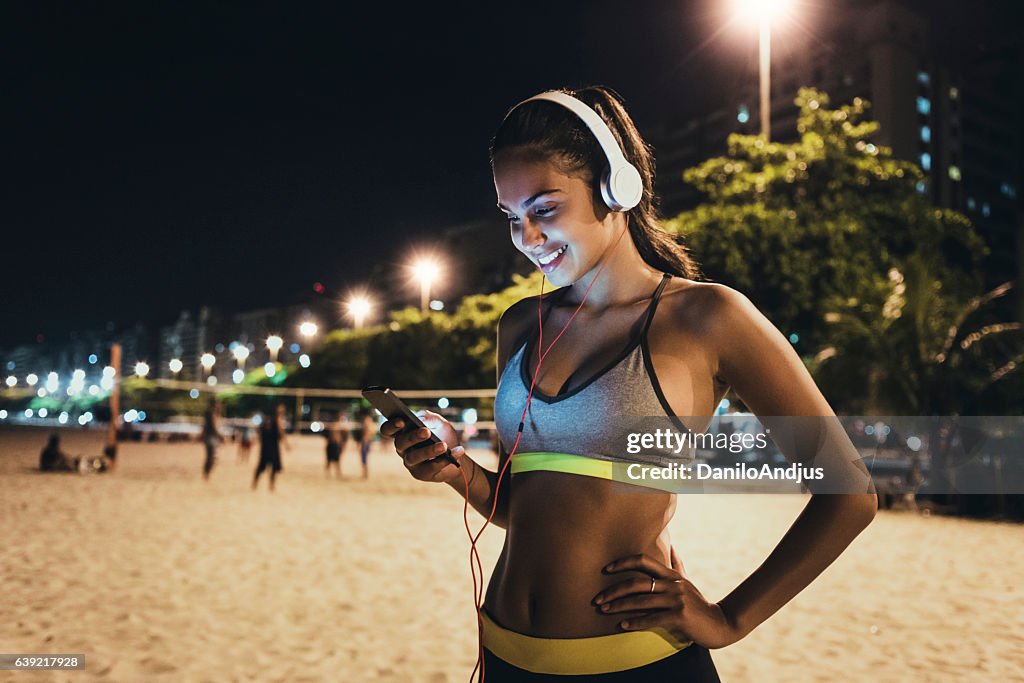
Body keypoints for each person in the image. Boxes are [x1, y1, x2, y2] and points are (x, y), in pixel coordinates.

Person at [381, 86, 877, 680]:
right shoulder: (519, 325)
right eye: (512, 218)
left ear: (617, 186)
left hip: (635, 665)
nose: (527, 239)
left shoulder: (708, 317)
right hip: (506, 658)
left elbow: (849, 493)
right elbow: (528, 506)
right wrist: (453, 469)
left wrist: (728, 619)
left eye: (543, 209)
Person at [252, 403, 290, 491]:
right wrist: (286, 444)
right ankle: (262, 484)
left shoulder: (268, 419)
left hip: (268, 445)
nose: (282, 410)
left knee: (267, 466)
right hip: (271, 446)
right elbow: (281, 432)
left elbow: (259, 431)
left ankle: (267, 485)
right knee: (266, 466)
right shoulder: (275, 419)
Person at [201, 398, 225, 481]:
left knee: (211, 457)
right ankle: (207, 473)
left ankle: (207, 473)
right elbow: (214, 426)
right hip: (211, 437)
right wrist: (220, 436)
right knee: (211, 457)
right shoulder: (211, 414)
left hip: (211, 437)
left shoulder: (211, 413)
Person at [323, 412, 349, 479]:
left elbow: (344, 438)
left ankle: (337, 473)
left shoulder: (341, 428)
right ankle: (328, 474)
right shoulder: (333, 426)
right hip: (331, 445)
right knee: (329, 461)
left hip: (335, 445)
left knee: (336, 461)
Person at [357, 407, 375, 480]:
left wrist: (364, 441)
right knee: (365, 459)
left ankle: (365, 474)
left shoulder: (367, 421)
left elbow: (367, 433)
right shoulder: (371, 422)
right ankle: (365, 474)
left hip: (366, 442)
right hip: (368, 441)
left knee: (364, 459)